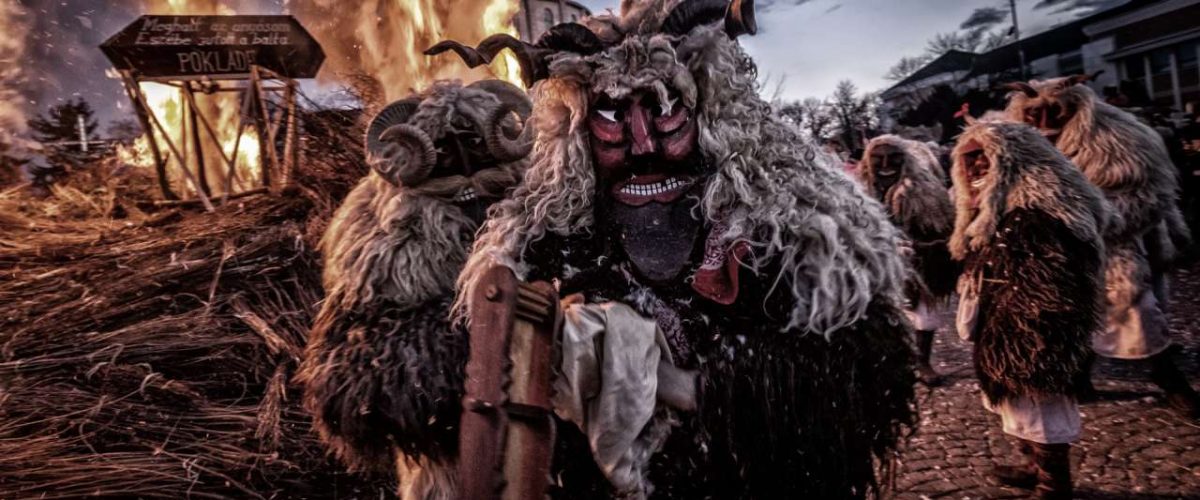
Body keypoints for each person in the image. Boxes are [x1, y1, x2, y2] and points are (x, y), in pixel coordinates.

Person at [435, 0, 917, 497]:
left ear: (709, 111)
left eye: (665, 110)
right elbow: (470, 396)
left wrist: (686, 385)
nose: (643, 144)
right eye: (611, 114)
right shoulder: (543, 245)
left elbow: (870, 369)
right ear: (576, 127)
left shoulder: (786, 226)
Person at [295, 80, 532, 499]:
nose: (466, 169)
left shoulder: (536, 214)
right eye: (445, 151)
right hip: (446, 467)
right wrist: (467, 352)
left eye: (473, 144)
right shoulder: (377, 247)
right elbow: (352, 378)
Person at [1003, 76, 1199, 418]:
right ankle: (1079, 377)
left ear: (1075, 108)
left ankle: (1168, 378)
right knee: (1065, 313)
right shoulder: (1019, 141)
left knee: (1134, 308)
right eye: (1034, 114)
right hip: (1052, 248)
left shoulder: (1116, 137)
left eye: (1054, 112)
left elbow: (1145, 197)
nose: (1044, 123)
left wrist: (1088, 220)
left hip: (1114, 244)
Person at [950, 120, 1108, 499]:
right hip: (1003, 322)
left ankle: (1054, 484)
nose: (976, 166)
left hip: (1034, 329)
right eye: (969, 158)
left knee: (1042, 405)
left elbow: (1053, 283)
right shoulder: (994, 206)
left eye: (984, 156)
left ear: (1013, 157)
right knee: (1016, 404)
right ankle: (1034, 466)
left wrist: (1030, 330)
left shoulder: (1040, 211)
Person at [859, 135, 957, 385]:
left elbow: (940, 230)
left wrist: (919, 248)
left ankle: (922, 362)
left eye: (893, 158)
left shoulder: (924, 190)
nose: (885, 165)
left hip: (916, 266)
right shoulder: (856, 190)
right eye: (878, 159)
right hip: (874, 267)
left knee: (924, 315)